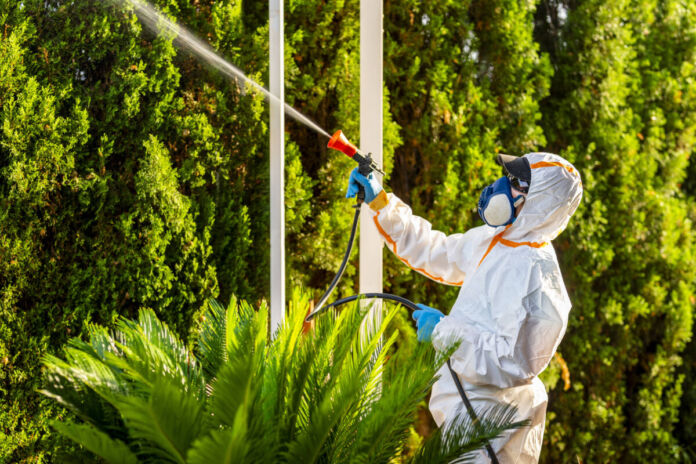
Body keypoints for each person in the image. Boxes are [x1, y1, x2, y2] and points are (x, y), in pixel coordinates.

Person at [346, 152, 582, 463]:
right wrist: (380, 201)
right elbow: (436, 250)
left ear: (538, 202)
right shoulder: (498, 240)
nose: (500, 186)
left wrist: (444, 332)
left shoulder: (538, 278)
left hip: (494, 432)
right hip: (465, 418)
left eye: (515, 184)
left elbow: (512, 363)